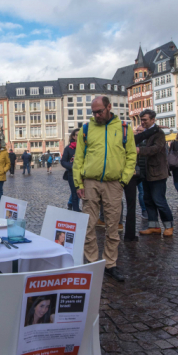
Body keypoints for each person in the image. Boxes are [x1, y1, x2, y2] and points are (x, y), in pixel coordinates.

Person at [73, 96, 136, 282]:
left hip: (114, 183)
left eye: (100, 111)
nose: (97, 115)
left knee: (112, 227)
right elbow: (78, 159)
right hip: (90, 182)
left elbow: (131, 155)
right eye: (94, 112)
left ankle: (109, 263)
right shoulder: (85, 130)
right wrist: (79, 183)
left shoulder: (124, 129)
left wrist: (123, 180)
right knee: (89, 226)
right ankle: (92, 263)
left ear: (109, 107)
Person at [136, 109, 174, 237]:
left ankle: (169, 226)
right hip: (145, 172)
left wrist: (139, 150)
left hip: (157, 172)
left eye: (145, 120)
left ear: (153, 120)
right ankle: (154, 226)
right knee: (148, 200)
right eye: (141, 120)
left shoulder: (159, 133)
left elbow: (156, 149)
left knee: (159, 200)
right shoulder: (145, 133)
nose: (143, 122)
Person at [61, 129, 80, 212]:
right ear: (73, 136)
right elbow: (63, 161)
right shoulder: (68, 148)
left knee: (81, 193)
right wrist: (72, 167)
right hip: (72, 174)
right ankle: (76, 211)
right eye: (77, 135)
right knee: (75, 193)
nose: (79, 137)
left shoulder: (86, 147)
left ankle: (72, 204)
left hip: (84, 174)